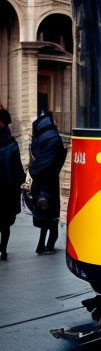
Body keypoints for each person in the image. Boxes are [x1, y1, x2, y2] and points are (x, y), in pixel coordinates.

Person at [29, 111, 67, 254]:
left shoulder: (39, 137)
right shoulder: (53, 137)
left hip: (40, 181)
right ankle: (49, 244)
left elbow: (36, 156)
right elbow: (55, 159)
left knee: (45, 215)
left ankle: (41, 244)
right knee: (52, 215)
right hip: (50, 181)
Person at [0, 109, 26, 261]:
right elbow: (17, 169)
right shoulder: (12, 143)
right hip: (8, 189)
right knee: (5, 224)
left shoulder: (11, 144)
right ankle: (3, 250)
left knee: (4, 223)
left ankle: (2, 250)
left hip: (6, 188)